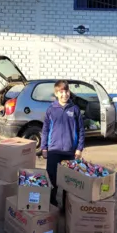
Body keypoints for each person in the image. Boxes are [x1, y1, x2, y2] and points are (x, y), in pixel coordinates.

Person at [41, 80, 85, 212]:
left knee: (68, 182)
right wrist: (44, 147)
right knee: (52, 179)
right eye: (61, 92)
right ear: (56, 93)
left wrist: (79, 149)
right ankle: (52, 204)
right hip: (54, 150)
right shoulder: (51, 110)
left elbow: (81, 130)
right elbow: (45, 130)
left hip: (69, 152)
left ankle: (67, 208)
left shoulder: (75, 109)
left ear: (69, 92)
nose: (64, 94)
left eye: (66, 91)